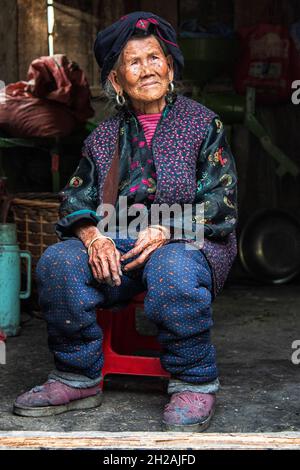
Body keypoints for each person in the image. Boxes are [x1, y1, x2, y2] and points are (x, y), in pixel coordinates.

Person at [13, 11, 238, 432]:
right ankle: (76, 375)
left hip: (194, 237)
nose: (147, 68)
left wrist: (167, 227)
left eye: (154, 57)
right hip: (118, 237)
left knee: (173, 269)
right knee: (58, 263)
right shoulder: (102, 136)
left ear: (170, 66)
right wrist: (92, 235)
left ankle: (193, 380)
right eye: (133, 63)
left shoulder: (203, 124)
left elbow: (222, 202)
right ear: (117, 81)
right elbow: (75, 197)